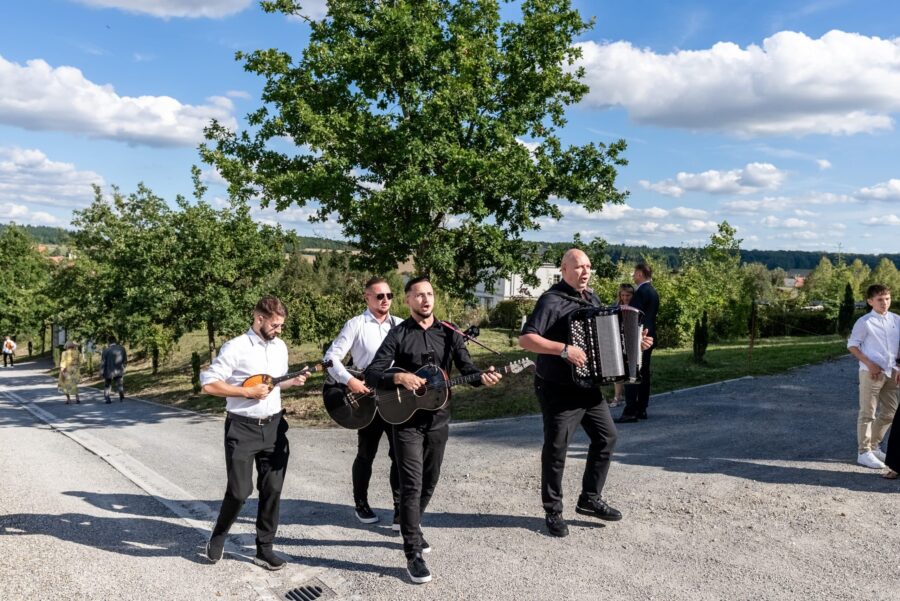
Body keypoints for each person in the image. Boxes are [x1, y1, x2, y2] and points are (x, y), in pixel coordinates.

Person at [365, 276, 502, 584]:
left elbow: (468, 370)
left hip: (439, 418)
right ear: (408, 301)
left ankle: (410, 522)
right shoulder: (398, 335)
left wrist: (484, 377)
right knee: (411, 484)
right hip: (405, 421)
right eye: (419, 295)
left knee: (430, 480)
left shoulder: (450, 333)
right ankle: (413, 551)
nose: (425, 300)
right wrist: (399, 378)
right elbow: (373, 373)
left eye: (429, 294)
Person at [519, 249, 652, 538]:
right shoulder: (551, 300)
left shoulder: (591, 299)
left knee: (607, 437)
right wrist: (564, 349)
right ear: (564, 269)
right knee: (556, 450)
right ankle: (553, 511)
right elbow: (526, 339)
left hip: (587, 385)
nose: (585, 271)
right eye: (579, 267)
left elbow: (607, 338)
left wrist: (634, 344)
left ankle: (589, 498)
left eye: (588, 266)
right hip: (557, 387)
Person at [200, 296, 309, 571]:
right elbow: (209, 385)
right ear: (259, 318)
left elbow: (274, 384)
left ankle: (264, 548)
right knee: (239, 491)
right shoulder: (236, 347)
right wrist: (245, 392)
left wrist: (291, 381)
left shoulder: (280, 347)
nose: (279, 331)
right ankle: (219, 534)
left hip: (274, 427)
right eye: (275, 325)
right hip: (242, 427)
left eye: (281, 325)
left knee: (272, 489)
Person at [323, 276, 401, 527]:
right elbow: (331, 358)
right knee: (366, 454)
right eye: (380, 296)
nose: (385, 300)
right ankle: (361, 504)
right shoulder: (356, 324)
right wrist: (349, 381)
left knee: (400, 454)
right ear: (367, 297)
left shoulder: (400, 325)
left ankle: (400, 508)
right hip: (365, 398)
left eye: (389, 295)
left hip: (396, 398)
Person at [846, 284, 899, 470]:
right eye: (879, 299)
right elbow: (852, 345)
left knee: (891, 412)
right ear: (870, 301)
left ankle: (874, 446)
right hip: (871, 373)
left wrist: (898, 367)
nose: (884, 303)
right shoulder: (864, 322)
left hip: (892, 373)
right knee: (868, 413)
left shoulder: (897, 320)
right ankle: (863, 452)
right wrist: (869, 364)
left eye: (887, 298)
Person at [617, 263, 660, 423]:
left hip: (639, 338)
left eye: (635, 273)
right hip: (650, 336)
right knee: (644, 373)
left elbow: (633, 316)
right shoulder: (653, 291)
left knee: (632, 372)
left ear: (641, 274)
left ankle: (630, 410)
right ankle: (642, 408)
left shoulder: (641, 292)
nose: (633, 276)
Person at [610, 283, 635, 408]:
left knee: (630, 369)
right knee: (617, 368)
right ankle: (617, 396)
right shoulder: (615, 306)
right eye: (623, 295)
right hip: (617, 339)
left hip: (631, 340)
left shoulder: (635, 306)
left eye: (628, 295)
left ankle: (630, 396)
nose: (625, 298)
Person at [101, 336, 129, 404]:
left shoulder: (105, 351)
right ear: (115, 341)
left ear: (108, 342)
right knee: (119, 384)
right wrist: (124, 367)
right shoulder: (122, 349)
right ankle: (121, 395)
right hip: (119, 369)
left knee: (107, 385)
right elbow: (125, 360)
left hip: (108, 370)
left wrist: (101, 372)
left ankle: (107, 398)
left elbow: (103, 363)